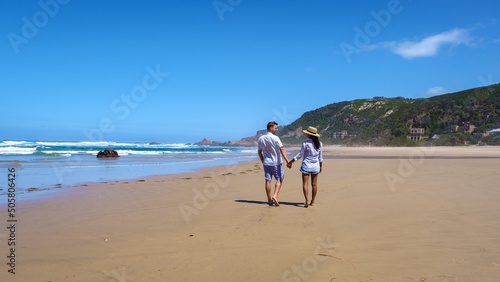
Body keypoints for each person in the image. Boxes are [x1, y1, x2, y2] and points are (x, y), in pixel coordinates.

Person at [287, 126, 323, 207]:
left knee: (305, 184)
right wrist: (321, 166)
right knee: (314, 184)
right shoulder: (320, 144)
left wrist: (291, 161)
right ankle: (312, 202)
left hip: (306, 166)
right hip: (315, 166)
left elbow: (300, 155)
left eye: (307, 133)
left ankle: (306, 200)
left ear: (309, 134)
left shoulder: (305, 143)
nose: (306, 134)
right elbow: (320, 157)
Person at [258, 121, 291, 206]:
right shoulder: (275, 138)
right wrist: (287, 161)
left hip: (266, 163)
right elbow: (282, 150)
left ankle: (269, 200)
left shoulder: (261, 138)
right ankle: (275, 195)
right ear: (271, 128)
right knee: (279, 179)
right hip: (276, 163)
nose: (277, 129)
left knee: (268, 181)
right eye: (275, 128)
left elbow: (259, 152)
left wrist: (263, 161)